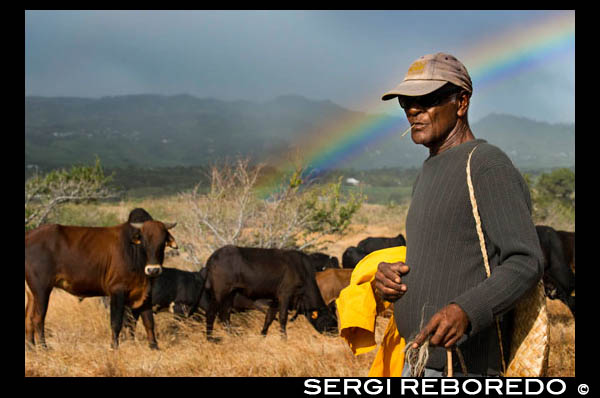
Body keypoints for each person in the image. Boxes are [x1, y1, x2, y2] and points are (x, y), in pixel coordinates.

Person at [374, 52, 544, 377]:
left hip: (464, 368)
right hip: (418, 360)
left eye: (427, 100)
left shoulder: (485, 164)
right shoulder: (428, 171)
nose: (413, 110)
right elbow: (442, 257)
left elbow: (526, 261)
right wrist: (388, 281)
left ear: (461, 102)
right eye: (406, 102)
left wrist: (466, 311)